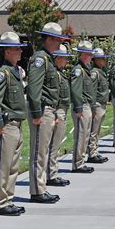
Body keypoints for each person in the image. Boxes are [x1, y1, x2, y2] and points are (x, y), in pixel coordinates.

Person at [27, 22, 67, 204]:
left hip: (48, 109)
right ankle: (37, 190)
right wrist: (36, 113)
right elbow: (34, 89)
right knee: (39, 152)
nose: (60, 44)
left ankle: (41, 187)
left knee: (43, 151)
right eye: (58, 40)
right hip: (42, 110)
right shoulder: (40, 59)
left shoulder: (48, 58)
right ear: (49, 39)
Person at [0, 31, 28, 216]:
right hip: (8, 124)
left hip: (17, 123)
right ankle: (1, 202)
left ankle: (8, 199)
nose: (20, 51)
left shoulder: (14, 72)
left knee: (13, 165)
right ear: (6, 51)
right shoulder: (3, 73)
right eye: (16, 48)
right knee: (4, 165)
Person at [47, 44, 73, 185]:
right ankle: (51, 174)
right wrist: (56, 114)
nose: (66, 61)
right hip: (58, 111)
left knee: (55, 144)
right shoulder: (55, 74)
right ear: (57, 58)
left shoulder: (60, 73)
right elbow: (54, 95)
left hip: (62, 110)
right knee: (53, 145)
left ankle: (53, 172)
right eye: (64, 58)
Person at [70, 40, 96, 172]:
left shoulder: (86, 69)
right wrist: (78, 108)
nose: (91, 57)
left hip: (87, 106)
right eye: (89, 54)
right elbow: (75, 90)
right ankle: (77, 164)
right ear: (82, 55)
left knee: (85, 134)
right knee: (81, 134)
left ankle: (81, 161)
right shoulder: (78, 70)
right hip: (82, 106)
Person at [88, 48, 110, 163]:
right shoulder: (94, 73)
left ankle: (95, 151)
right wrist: (93, 106)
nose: (103, 61)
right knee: (94, 130)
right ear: (95, 60)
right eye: (101, 59)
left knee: (97, 130)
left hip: (102, 103)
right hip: (97, 104)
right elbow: (92, 91)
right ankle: (92, 153)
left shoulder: (101, 71)